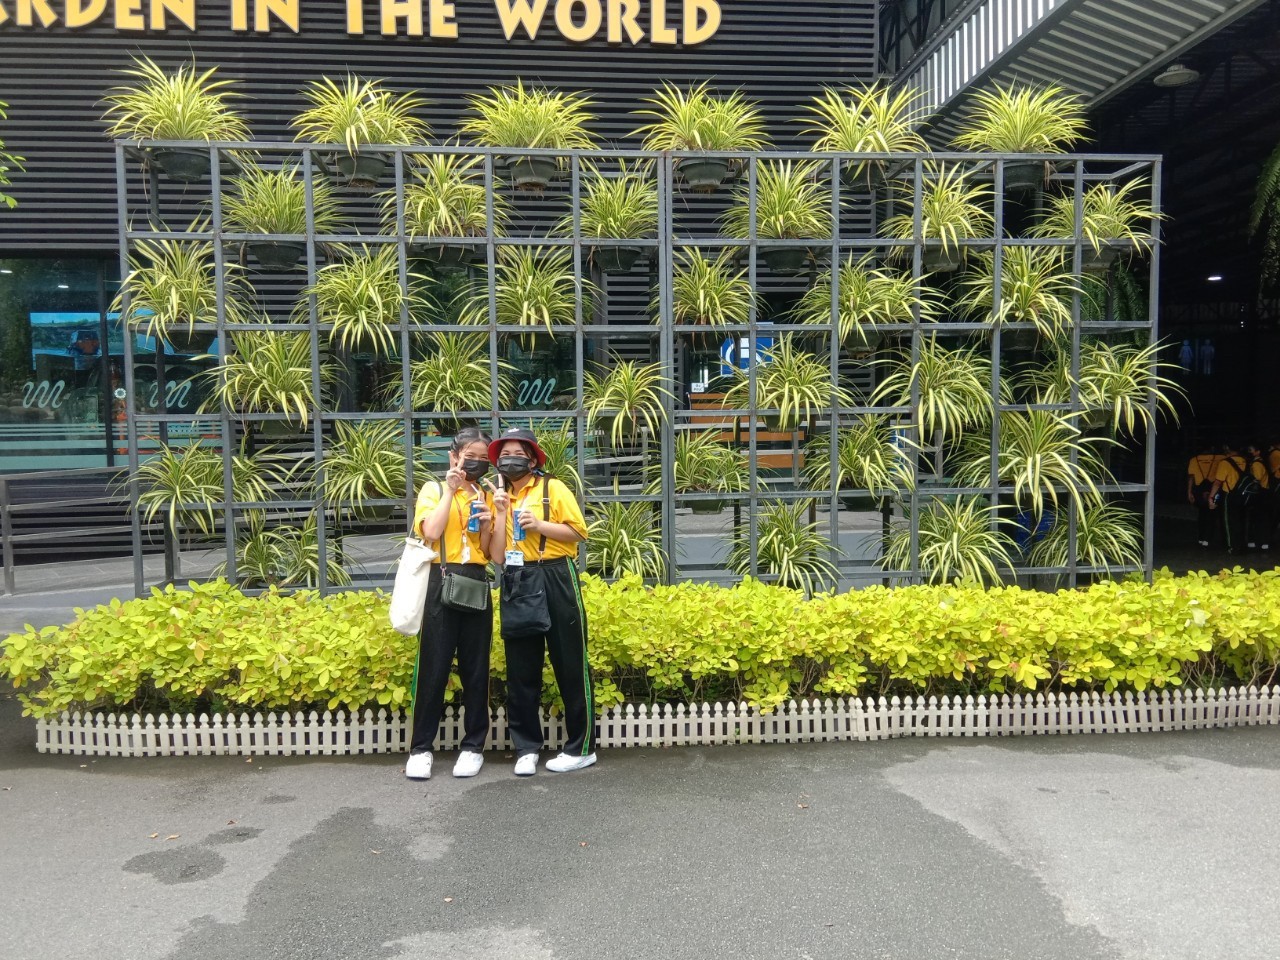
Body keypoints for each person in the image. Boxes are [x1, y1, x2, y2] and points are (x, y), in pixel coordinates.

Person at [486, 426, 595, 776]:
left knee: (570, 662)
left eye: (518, 454)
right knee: (521, 667)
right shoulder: (498, 495)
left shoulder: (553, 488)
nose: (510, 460)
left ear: (533, 460)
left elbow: (578, 533)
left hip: (555, 574)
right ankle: (526, 749)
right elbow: (497, 556)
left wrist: (539, 525)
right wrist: (500, 512)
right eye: (504, 455)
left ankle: (581, 748)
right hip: (517, 577)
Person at [405, 427, 496, 781]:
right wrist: (450, 490)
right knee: (434, 667)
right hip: (441, 579)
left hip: (476, 581)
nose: (476, 464)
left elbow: (489, 552)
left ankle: (473, 747)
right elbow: (431, 532)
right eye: (470, 457)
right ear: (454, 456)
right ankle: (421, 749)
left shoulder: (486, 494)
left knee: (476, 668)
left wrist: (488, 524)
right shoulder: (433, 488)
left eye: (483, 459)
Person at [1185, 442, 1222, 548]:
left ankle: (1201, 537)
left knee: (1202, 514)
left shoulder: (1194, 460)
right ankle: (1208, 538)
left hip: (1199, 489)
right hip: (1213, 488)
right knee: (1212, 514)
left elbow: (1191, 477)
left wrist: (1189, 492)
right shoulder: (1219, 458)